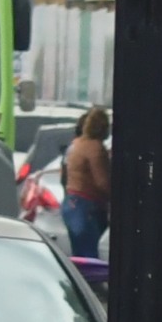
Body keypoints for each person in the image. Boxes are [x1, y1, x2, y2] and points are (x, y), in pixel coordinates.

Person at [60, 103, 109, 262]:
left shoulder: (76, 144)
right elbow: (102, 182)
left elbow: (64, 174)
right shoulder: (95, 148)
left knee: (79, 255)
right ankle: (91, 286)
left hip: (71, 203)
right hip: (87, 205)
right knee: (91, 257)